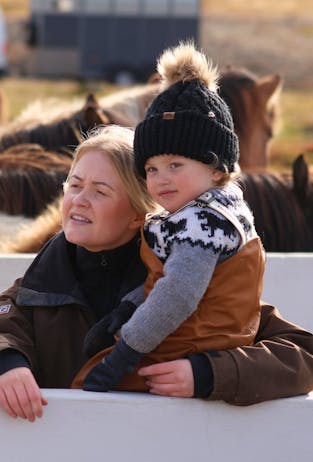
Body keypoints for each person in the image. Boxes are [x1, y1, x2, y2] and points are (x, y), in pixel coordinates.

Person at [0, 126, 313, 423]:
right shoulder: (33, 289)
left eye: (100, 191)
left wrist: (207, 374)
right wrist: (3, 364)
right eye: (74, 185)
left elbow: (301, 355)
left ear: (138, 215)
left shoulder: (193, 285)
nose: (79, 199)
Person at [72, 41, 265, 393]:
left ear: (218, 169)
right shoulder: (199, 214)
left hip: (195, 343)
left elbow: (178, 294)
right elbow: (166, 279)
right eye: (151, 168)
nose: (161, 178)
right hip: (191, 339)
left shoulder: (204, 223)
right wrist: (128, 307)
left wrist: (124, 351)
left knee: (87, 383)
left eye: (176, 165)